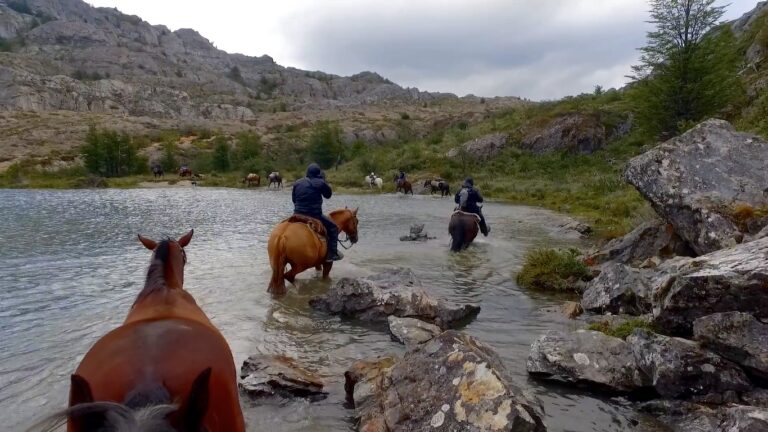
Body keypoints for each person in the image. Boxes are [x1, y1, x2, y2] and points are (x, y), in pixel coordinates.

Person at [292, 163, 343, 261]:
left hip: (297, 214)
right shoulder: (320, 182)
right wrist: (323, 182)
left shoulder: (297, 182)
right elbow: (328, 195)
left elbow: (294, 200)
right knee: (334, 228)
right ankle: (332, 254)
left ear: (307, 172)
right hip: (314, 215)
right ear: (318, 173)